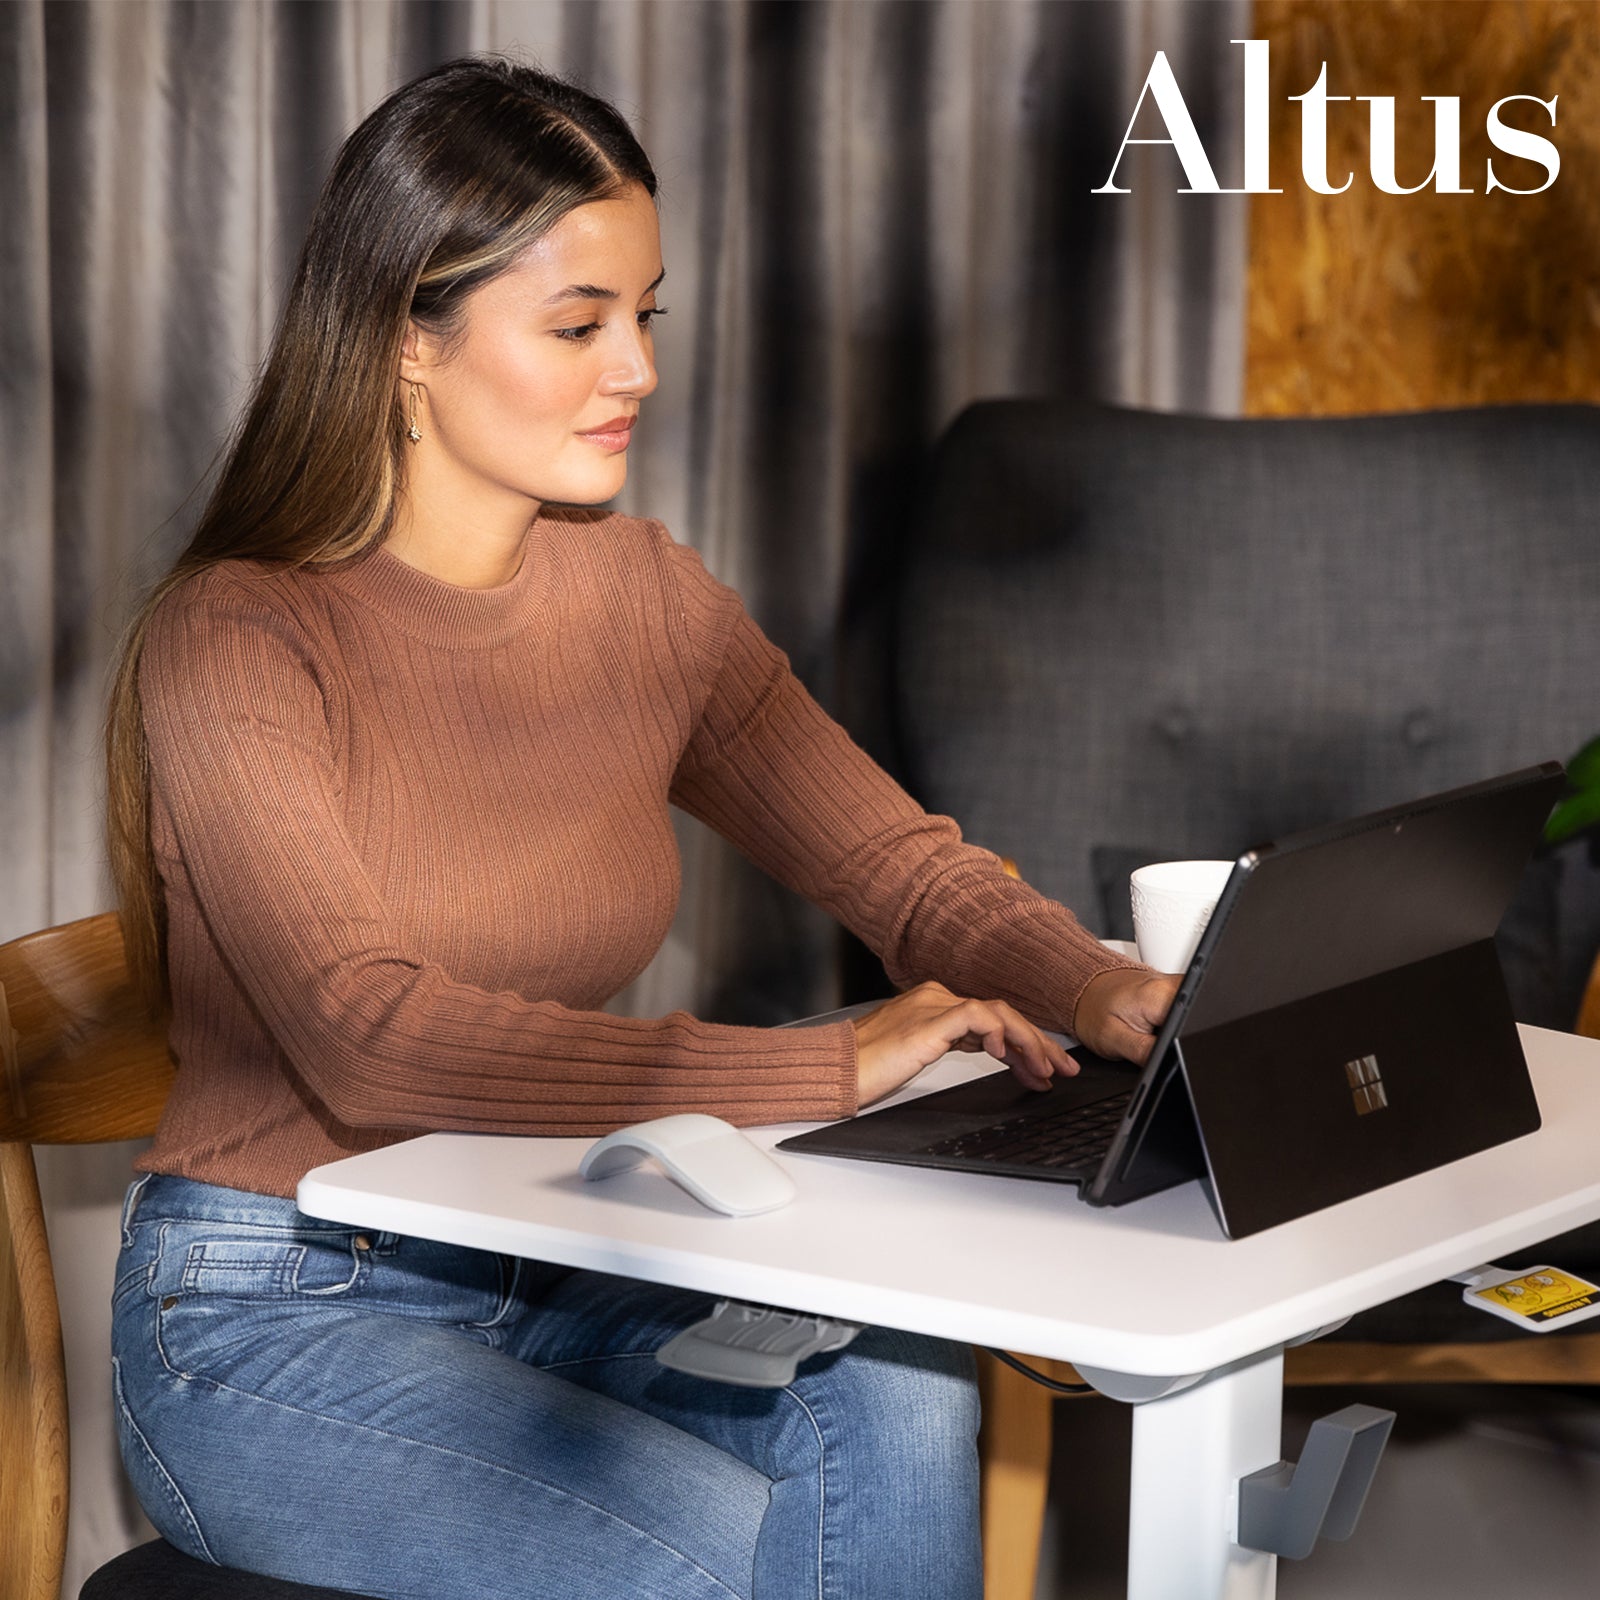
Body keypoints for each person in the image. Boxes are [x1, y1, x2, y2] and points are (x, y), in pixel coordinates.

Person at [104, 56, 1178, 1600]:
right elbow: (368, 1041)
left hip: (554, 1253)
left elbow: (891, 863)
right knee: (717, 1558)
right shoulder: (240, 638)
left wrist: (1095, 986)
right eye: (577, 325)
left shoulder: (641, 598)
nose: (638, 374)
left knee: (902, 1393)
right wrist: (821, 1062)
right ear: (410, 336)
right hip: (268, 1315)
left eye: (645, 315)